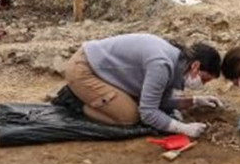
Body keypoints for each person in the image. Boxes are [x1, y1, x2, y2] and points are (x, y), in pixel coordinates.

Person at [64, 33, 222, 137]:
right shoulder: (161, 65)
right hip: (84, 70)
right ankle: (76, 101)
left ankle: (94, 96)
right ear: (195, 66)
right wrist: (182, 128)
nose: (202, 84)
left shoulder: (175, 62)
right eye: (205, 79)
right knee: (129, 116)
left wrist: (194, 101)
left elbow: (161, 102)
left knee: (137, 106)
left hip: (103, 71)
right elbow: (148, 112)